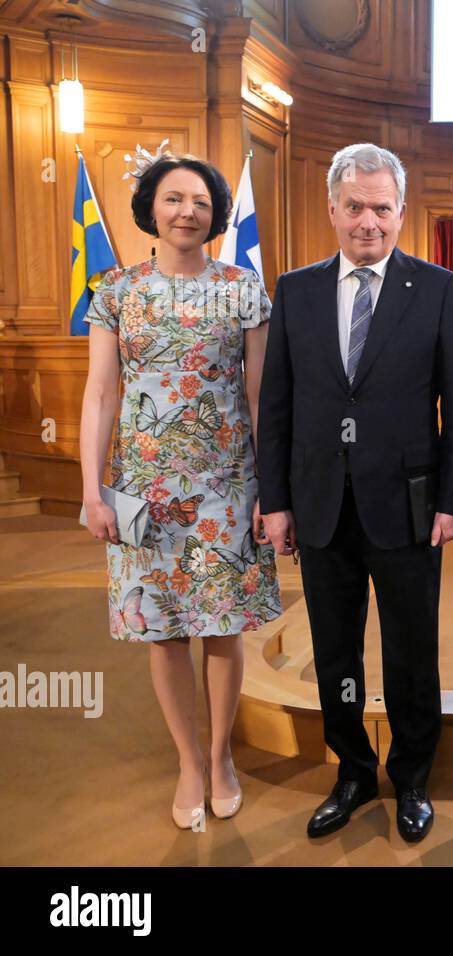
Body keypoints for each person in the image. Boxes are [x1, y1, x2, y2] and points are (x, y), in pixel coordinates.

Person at [257, 143, 453, 844]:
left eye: (382, 208)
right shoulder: (294, 291)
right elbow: (277, 407)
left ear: (401, 212)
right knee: (335, 652)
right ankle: (352, 771)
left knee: (411, 649)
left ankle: (412, 774)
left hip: (410, 506)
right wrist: (275, 501)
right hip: (319, 503)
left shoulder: (439, 288)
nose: (368, 222)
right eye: (354, 207)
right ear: (332, 208)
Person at [80, 150, 282, 829]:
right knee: (162, 631)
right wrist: (91, 491)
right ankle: (188, 762)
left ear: (214, 212)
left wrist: (269, 487)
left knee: (223, 630)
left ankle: (222, 756)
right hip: (141, 490)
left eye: (199, 200)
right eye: (173, 199)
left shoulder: (245, 290)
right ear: (151, 209)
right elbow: (101, 394)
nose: (187, 211)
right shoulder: (116, 292)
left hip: (227, 482)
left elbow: (259, 397)